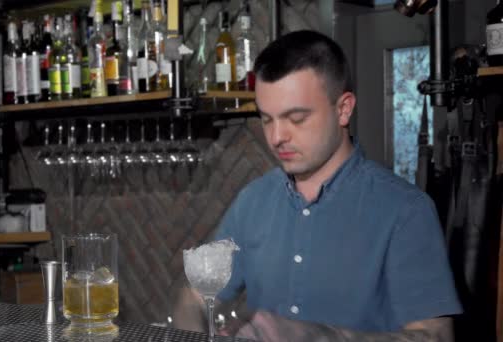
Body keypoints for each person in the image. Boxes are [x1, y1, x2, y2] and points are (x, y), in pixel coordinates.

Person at [174, 30, 462, 341]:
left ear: (343, 109)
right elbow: (193, 297)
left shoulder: (406, 211)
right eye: (267, 119)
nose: (276, 137)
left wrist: (320, 336)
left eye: (296, 118)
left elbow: (435, 336)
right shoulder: (252, 201)